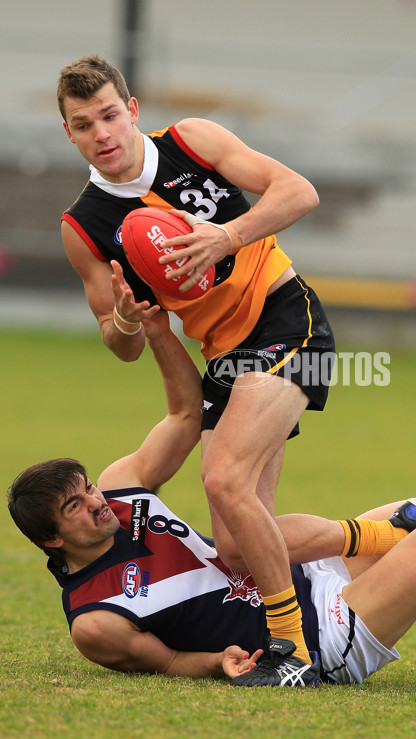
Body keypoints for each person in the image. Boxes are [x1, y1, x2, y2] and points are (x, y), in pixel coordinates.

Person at [7, 314, 416, 686]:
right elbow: (166, 663)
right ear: (52, 539)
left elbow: (185, 415)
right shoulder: (93, 618)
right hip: (317, 639)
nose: (96, 501)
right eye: (76, 507)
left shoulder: (121, 493)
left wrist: (159, 332)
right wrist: (219, 664)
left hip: (305, 574)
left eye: (86, 488)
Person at [56, 54, 336, 683]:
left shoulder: (192, 140)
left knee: (223, 479)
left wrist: (225, 237)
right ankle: (403, 533)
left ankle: (291, 648)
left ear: (131, 112)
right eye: (82, 125)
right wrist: (129, 318)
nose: (101, 134)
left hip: (286, 317)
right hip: (223, 356)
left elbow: (300, 190)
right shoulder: (84, 227)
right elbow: (119, 343)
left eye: (108, 116)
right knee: (236, 547)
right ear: (69, 134)